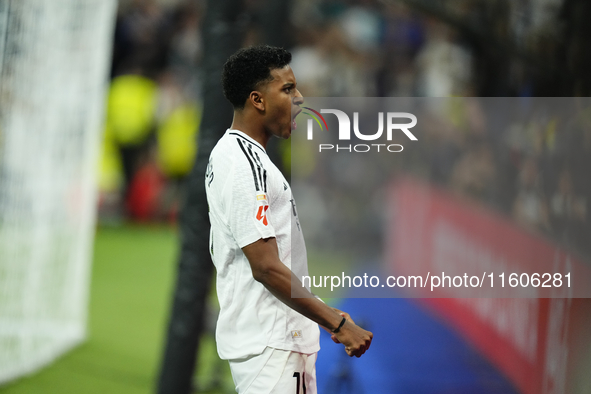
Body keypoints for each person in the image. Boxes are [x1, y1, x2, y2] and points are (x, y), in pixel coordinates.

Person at [205, 45, 373, 394]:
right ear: (258, 100)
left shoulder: (248, 157)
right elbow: (265, 266)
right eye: (287, 89)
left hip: (278, 339)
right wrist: (337, 322)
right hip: (272, 342)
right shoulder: (243, 165)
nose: (300, 98)